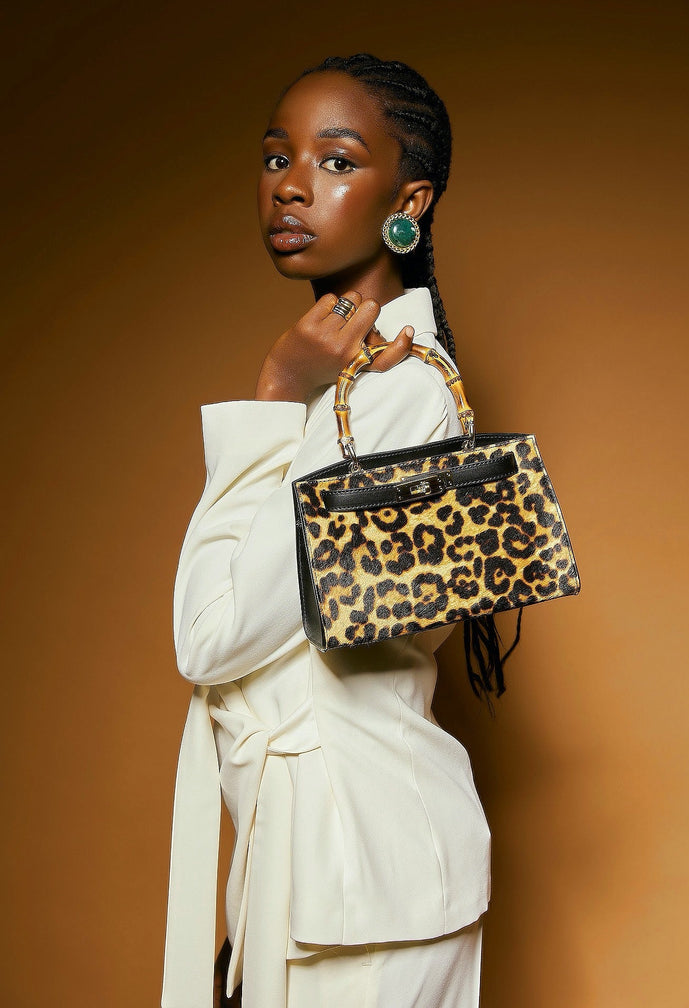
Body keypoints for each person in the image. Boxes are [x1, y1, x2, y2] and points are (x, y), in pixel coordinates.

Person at [161, 54, 492, 1008]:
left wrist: (271, 396)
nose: (293, 186)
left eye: (338, 161)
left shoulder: (396, 393)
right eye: (276, 159)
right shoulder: (352, 389)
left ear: (410, 199)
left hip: (359, 878)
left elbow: (210, 636)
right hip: (327, 866)